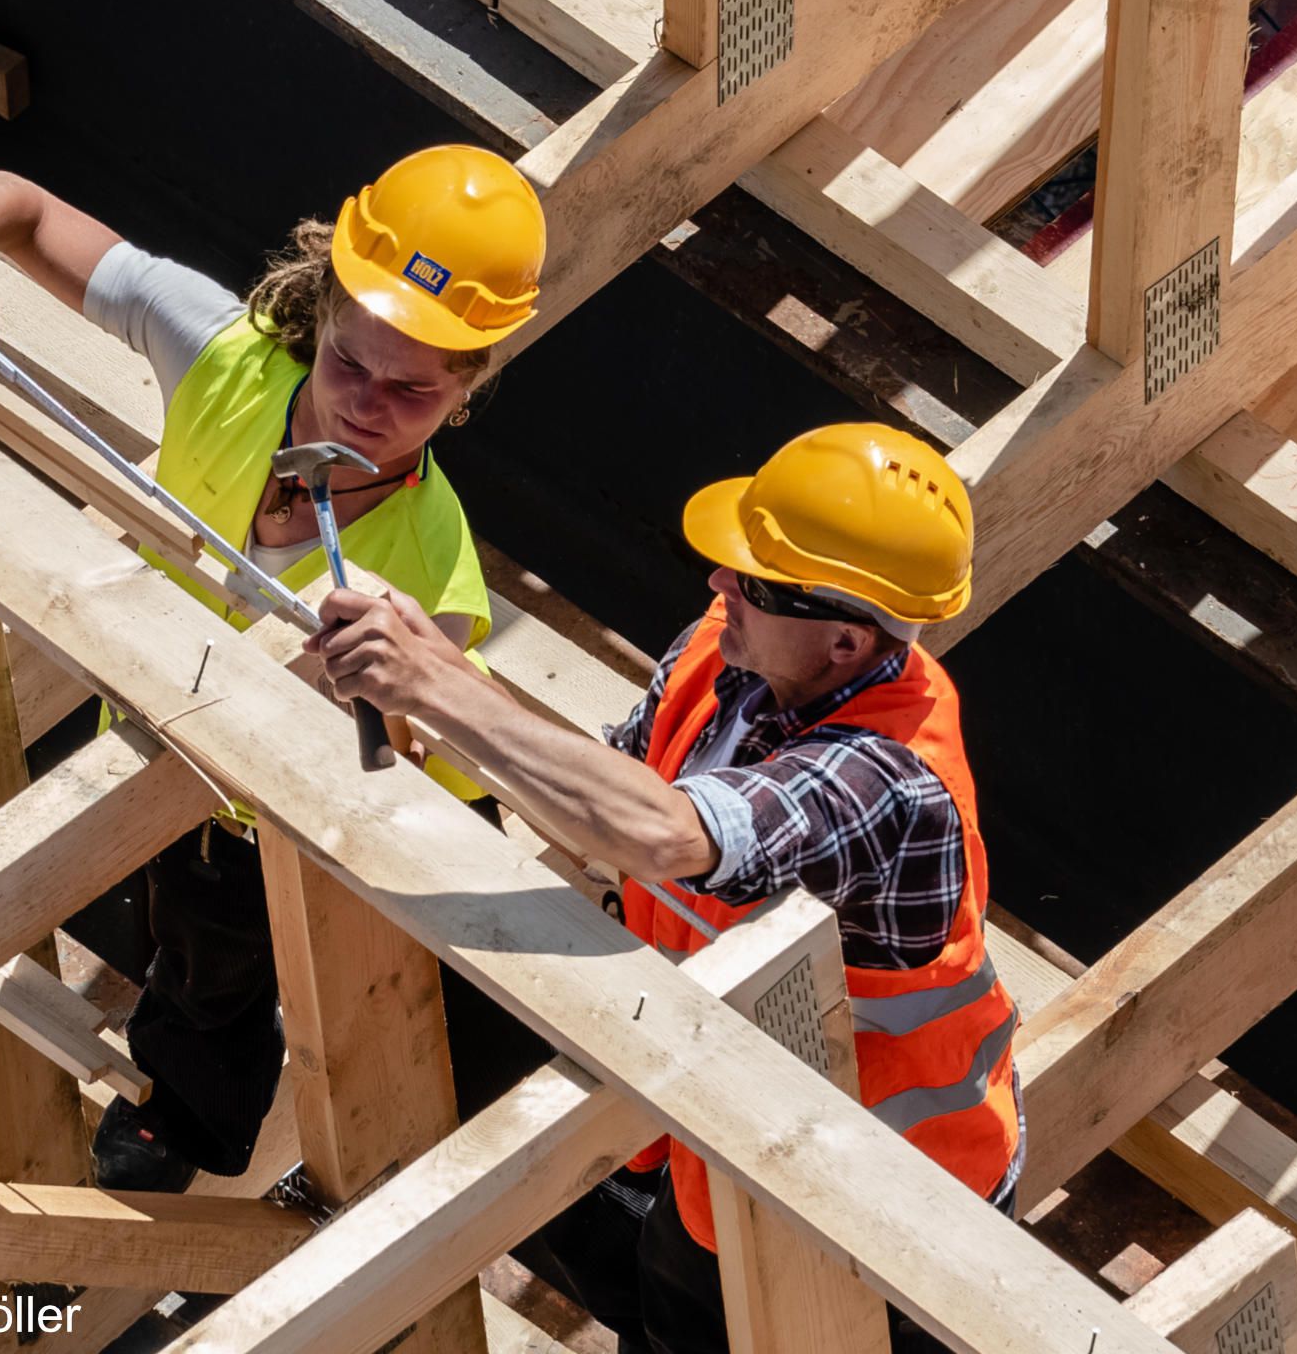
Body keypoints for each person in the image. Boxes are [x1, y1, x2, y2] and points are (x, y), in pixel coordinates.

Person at [0, 145, 544, 1192]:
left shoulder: (436, 578)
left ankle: (403, 1172)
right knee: (202, 953)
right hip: (193, 760)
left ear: (469, 387)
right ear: (322, 315)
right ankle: (193, 1120)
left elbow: (387, 765)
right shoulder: (219, 352)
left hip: (375, 794)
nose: (366, 407)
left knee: (425, 1008)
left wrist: (353, 690)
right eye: (348, 363)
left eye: (413, 393)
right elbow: (14, 203)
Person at [306, 423, 1024, 1354]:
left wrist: (434, 691)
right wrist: (431, 665)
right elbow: (603, 807)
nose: (719, 585)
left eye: (754, 580)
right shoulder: (729, 653)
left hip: (885, 1217)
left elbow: (665, 834)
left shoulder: (887, 780)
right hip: (719, 1134)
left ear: (848, 640)